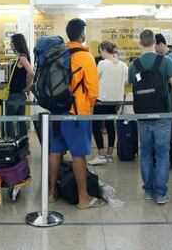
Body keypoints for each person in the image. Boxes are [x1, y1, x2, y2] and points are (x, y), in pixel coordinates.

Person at [49, 18, 103, 209]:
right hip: (76, 114)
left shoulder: (58, 53)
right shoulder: (85, 57)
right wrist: (87, 109)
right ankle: (83, 198)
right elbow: (93, 90)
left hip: (56, 111)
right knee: (78, 155)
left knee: (55, 151)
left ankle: (51, 192)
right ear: (82, 34)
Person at [128, 29, 172, 204]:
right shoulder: (165, 61)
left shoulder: (133, 65)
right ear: (154, 42)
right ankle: (160, 193)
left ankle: (149, 190)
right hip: (163, 115)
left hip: (143, 116)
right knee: (162, 154)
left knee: (145, 154)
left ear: (140, 42)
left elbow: (132, 85)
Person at [88, 41, 127, 165]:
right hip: (116, 100)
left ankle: (100, 154)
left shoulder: (102, 63)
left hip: (102, 100)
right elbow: (127, 81)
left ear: (104, 50)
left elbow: (95, 79)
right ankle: (109, 154)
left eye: (101, 51)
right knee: (110, 125)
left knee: (95, 126)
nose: (101, 54)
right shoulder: (123, 65)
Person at [155, 33, 172, 169]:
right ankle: (166, 157)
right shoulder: (167, 58)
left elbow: (170, 82)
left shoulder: (171, 58)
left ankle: (171, 159)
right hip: (166, 99)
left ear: (160, 44)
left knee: (170, 130)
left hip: (169, 100)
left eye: (155, 46)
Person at [5, 34, 34, 139]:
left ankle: (11, 141)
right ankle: (22, 142)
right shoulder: (20, 57)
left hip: (16, 93)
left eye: (12, 42)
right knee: (20, 119)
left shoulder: (22, 57)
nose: (10, 44)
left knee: (9, 119)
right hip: (19, 93)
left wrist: (28, 87)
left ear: (16, 43)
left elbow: (31, 72)